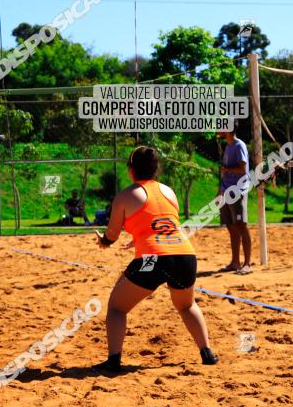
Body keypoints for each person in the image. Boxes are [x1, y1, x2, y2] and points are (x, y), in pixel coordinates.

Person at [94, 146, 219, 372]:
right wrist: (139, 238)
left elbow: (112, 234)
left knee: (116, 307)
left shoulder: (126, 195)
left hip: (153, 259)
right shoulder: (168, 191)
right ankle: (207, 353)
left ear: (131, 170)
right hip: (184, 256)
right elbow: (164, 225)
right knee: (186, 305)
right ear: (155, 169)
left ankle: (113, 361)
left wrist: (104, 241)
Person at [218, 127, 252, 274]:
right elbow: (227, 171)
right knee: (231, 228)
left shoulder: (239, 146)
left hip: (238, 191)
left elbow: (243, 170)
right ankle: (235, 262)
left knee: (241, 225)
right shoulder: (228, 145)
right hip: (226, 191)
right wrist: (219, 192)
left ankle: (247, 264)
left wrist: (228, 170)